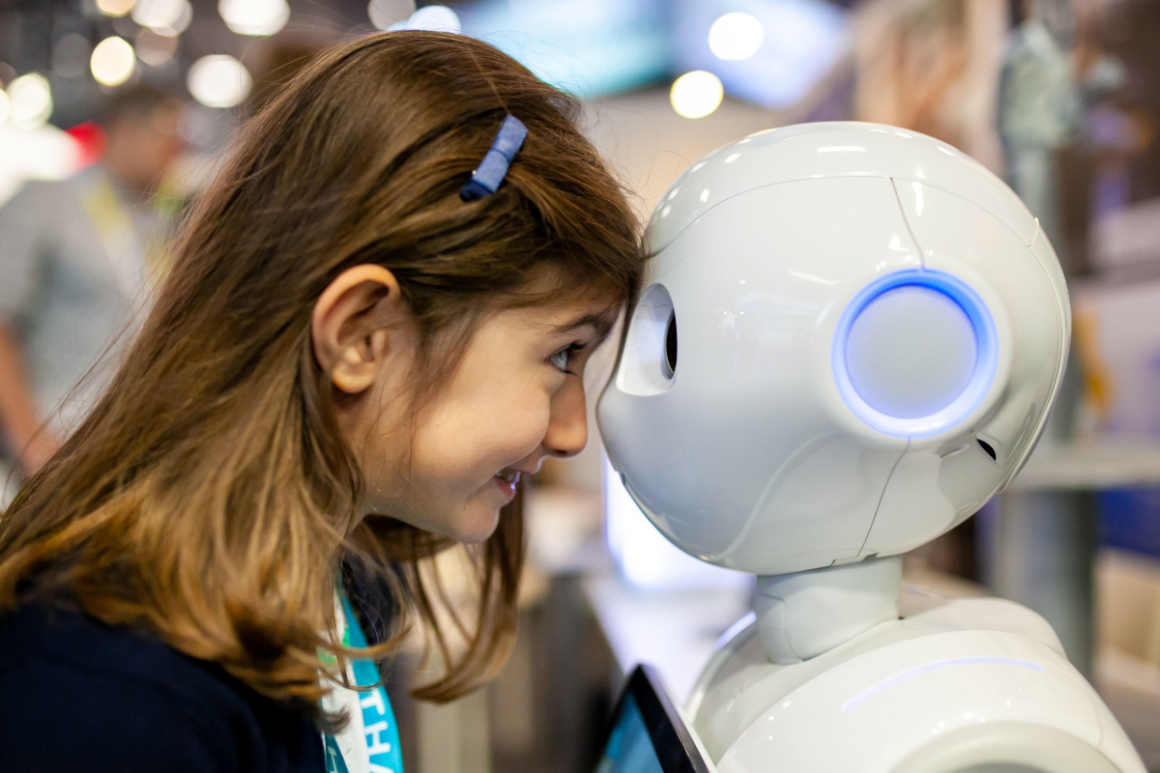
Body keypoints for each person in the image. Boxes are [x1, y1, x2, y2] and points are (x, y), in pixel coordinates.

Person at [0, 32, 643, 773]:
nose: (570, 431)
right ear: (361, 335)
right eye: (562, 354)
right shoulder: (109, 692)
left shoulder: (341, 578)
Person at [0, 85, 184, 478]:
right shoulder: (43, 203)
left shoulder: (162, 221)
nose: (174, 149)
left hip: (131, 453)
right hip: (54, 445)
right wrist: (28, 441)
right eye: (164, 134)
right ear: (122, 131)